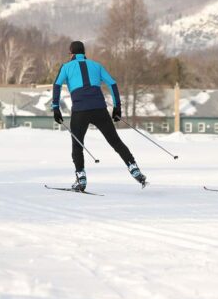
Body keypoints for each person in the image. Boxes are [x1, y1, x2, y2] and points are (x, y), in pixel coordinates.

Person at [52, 41, 147, 191]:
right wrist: (117, 108)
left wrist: (56, 108)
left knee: (78, 145)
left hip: (80, 111)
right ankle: (133, 167)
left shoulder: (66, 67)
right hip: (99, 109)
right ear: (83, 53)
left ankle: (81, 178)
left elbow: (56, 85)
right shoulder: (96, 65)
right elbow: (113, 84)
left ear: (71, 54)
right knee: (115, 141)